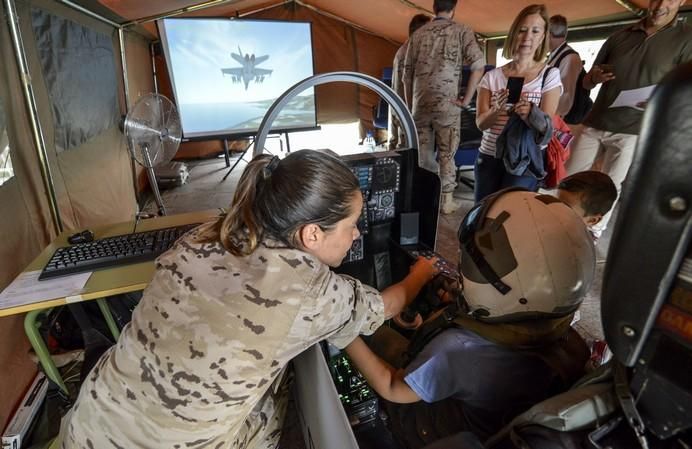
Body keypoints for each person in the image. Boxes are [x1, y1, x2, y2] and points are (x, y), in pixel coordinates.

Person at [57, 150, 438, 449]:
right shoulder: (310, 290)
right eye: (351, 224)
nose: (356, 235)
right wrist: (423, 272)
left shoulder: (207, 233)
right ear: (311, 235)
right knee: (283, 387)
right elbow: (385, 308)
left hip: (91, 424)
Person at [345, 189, 596, 448]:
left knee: (371, 339)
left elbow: (392, 387)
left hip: (437, 430)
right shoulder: (571, 340)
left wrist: (344, 333)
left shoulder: (458, 348)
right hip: (494, 422)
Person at [565, 0, 692, 239]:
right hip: (596, 120)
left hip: (634, 128)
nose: (662, 4)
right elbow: (586, 82)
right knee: (570, 178)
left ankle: (592, 232)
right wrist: (593, 78)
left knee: (611, 186)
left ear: (682, 1)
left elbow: (684, 88)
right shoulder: (620, 36)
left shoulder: (687, 38)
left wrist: (662, 102)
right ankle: (559, 220)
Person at [402, 0, 485, 214]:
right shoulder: (461, 31)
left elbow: (406, 76)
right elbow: (478, 65)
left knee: (423, 154)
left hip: (419, 106)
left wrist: (411, 106)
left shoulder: (418, 34)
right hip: (447, 106)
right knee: (447, 153)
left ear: (433, 8)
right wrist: (466, 100)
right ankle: (446, 201)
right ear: (454, 8)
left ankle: (424, 197)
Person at [474, 4, 562, 203]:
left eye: (535, 30)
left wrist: (530, 112)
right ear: (513, 33)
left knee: (512, 218)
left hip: (525, 158)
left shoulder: (549, 75)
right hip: (489, 155)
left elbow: (547, 127)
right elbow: (481, 124)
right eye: (522, 30)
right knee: (481, 213)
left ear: (543, 36)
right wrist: (496, 111)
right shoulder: (492, 77)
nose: (527, 37)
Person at [389, 14, 431, 150]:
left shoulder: (405, 49)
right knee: (408, 154)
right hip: (407, 114)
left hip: (401, 111)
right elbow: (408, 85)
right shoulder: (410, 53)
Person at [547, 14, 592, 123]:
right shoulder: (557, 55)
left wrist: (553, 119)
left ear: (548, 33)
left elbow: (566, 94)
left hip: (564, 120)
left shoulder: (569, 58)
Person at [556, 170, 617, 238]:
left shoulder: (573, 247)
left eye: (566, 210)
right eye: (554, 202)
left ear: (592, 220)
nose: (553, 211)